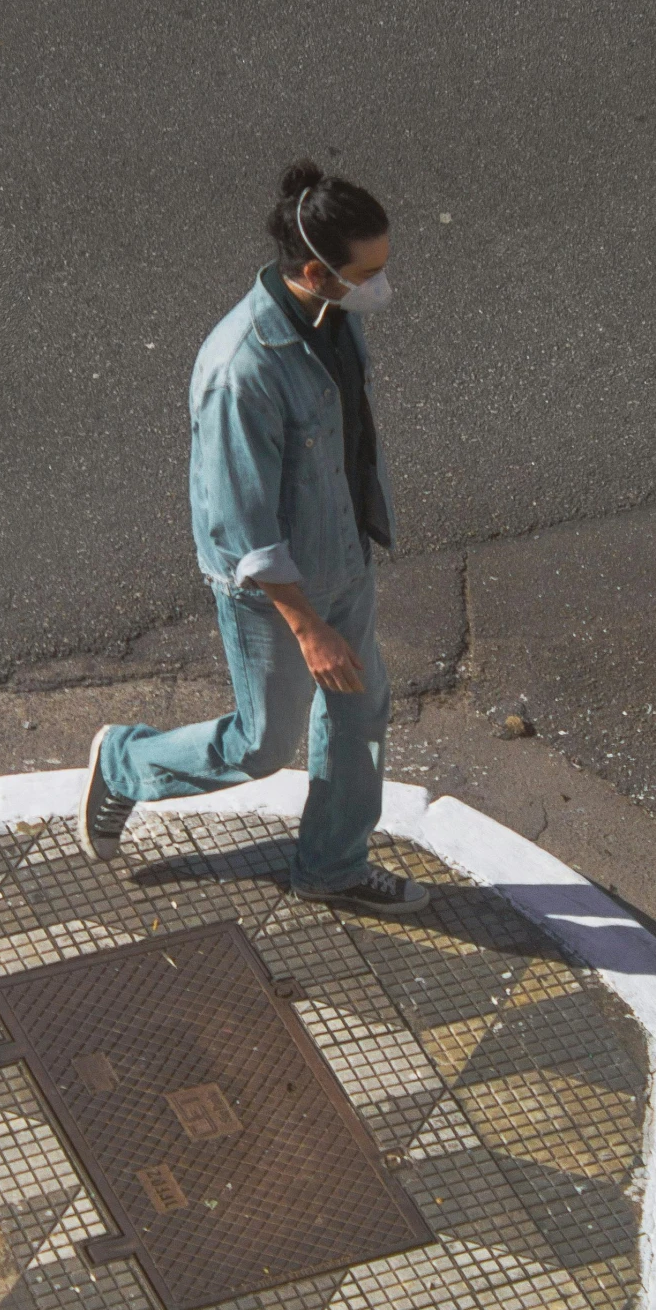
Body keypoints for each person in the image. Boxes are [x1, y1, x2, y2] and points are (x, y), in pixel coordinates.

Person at [79, 159, 428, 916]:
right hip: (273, 590)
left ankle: (332, 865)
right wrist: (307, 627)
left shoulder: (333, 316)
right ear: (314, 269)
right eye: (369, 272)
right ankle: (124, 762)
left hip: (342, 556)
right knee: (260, 746)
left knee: (358, 711)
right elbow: (239, 525)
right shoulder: (241, 369)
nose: (382, 286)